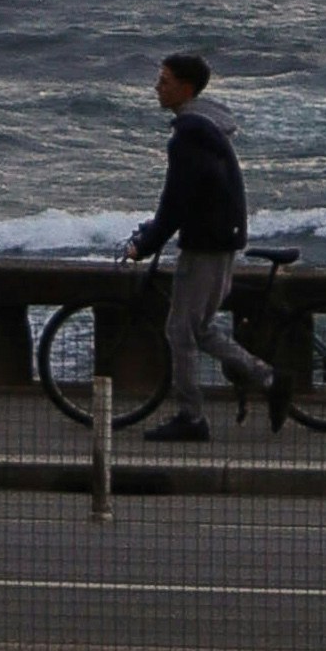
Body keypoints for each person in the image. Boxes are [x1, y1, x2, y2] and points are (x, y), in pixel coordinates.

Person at [131, 50, 270, 435]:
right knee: (200, 327)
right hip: (222, 236)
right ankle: (269, 380)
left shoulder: (188, 136)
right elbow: (192, 196)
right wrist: (155, 228)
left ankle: (191, 418)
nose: (157, 87)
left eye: (164, 81)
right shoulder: (205, 125)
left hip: (206, 244)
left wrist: (145, 244)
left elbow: (176, 201)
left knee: (180, 332)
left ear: (185, 88)